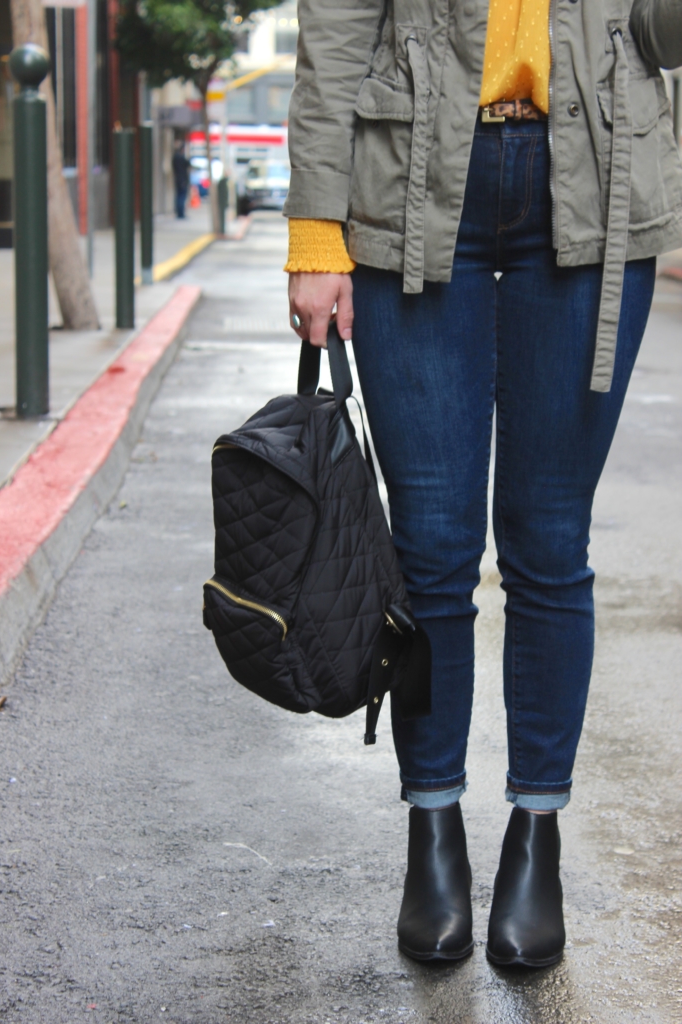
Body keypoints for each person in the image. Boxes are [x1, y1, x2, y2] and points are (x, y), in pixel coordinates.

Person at [283, 0, 682, 967]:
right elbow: (336, 28)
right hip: (411, 173)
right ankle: (433, 836)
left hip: (595, 170)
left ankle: (535, 837)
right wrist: (313, 232)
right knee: (430, 546)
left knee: (550, 541)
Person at [172, 138, 191, 219]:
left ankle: (179, 212)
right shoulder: (181, 158)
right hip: (182, 179)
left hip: (177, 179)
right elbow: (188, 164)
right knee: (182, 197)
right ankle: (181, 213)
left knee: (178, 196)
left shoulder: (175, 157)